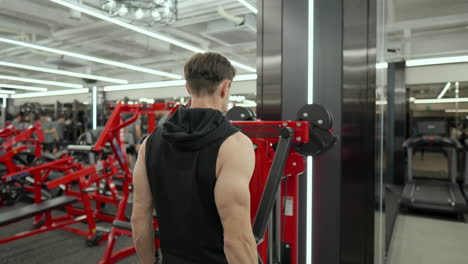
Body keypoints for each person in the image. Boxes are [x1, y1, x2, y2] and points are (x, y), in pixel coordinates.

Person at [131, 52, 258, 264]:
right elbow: (236, 240)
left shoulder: (149, 143)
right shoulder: (235, 145)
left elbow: (139, 218)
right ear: (225, 87)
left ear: (188, 88)